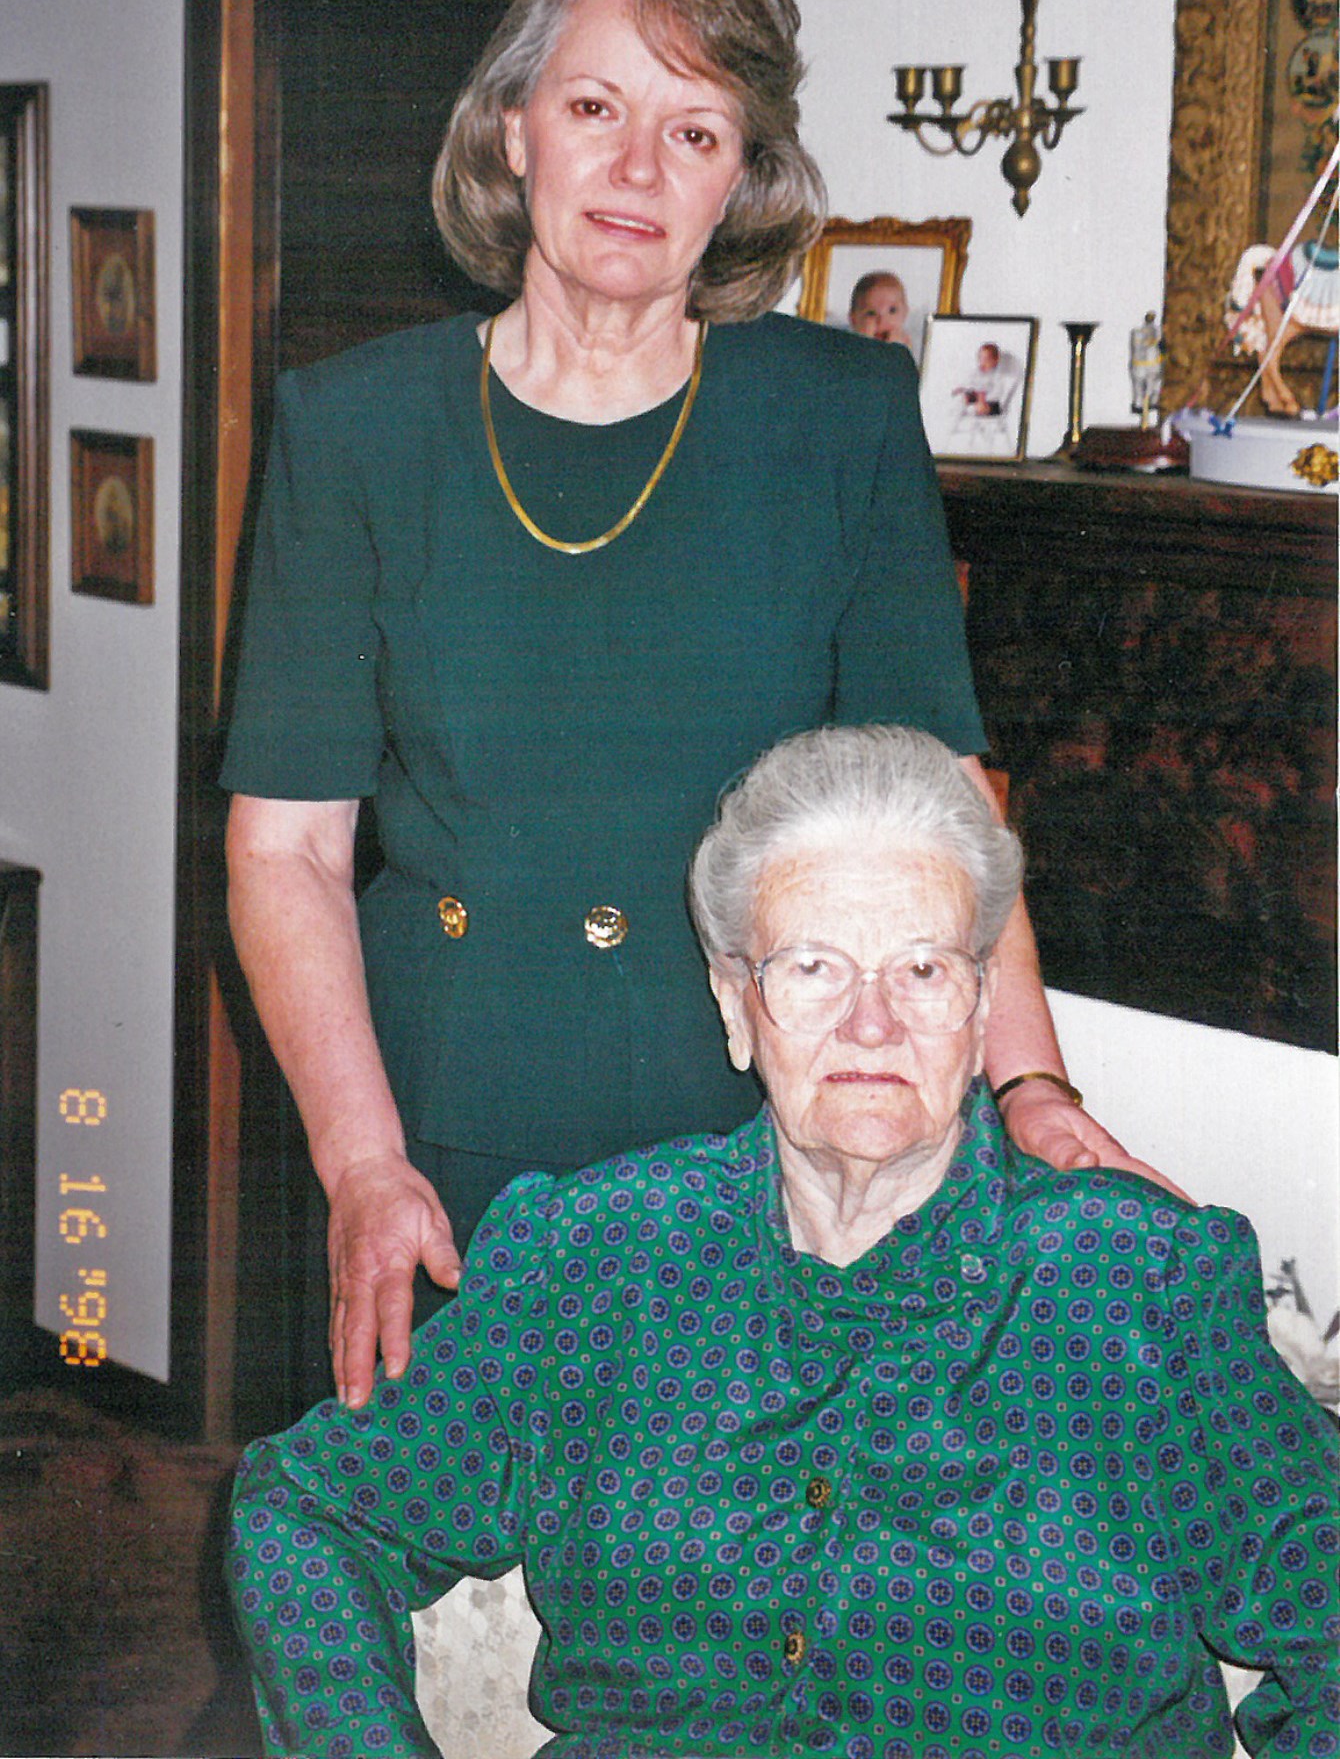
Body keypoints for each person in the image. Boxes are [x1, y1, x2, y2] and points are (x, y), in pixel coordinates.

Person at [221, 0, 1153, 1417]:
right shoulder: (355, 428)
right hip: (439, 1133)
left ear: (743, 179)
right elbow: (287, 852)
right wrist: (363, 1161)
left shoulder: (838, 415)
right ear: (514, 129)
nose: (638, 169)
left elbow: (942, 804)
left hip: (757, 1130)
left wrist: (1027, 1086)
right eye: (595, 108)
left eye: (696, 131)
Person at [229, 725, 1339, 1759]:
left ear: (978, 1008)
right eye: (812, 967)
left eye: (921, 969)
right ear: (733, 1003)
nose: (871, 1022)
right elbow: (310, 1508)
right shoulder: (595, 1261)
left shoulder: (1134, 1287)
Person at [847, 268, 912, 351]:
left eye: (892, 310)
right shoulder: (849, 349)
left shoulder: (905, 348)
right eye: (871, 313)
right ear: (853, 320)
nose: (882, 320)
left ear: (905, 313)